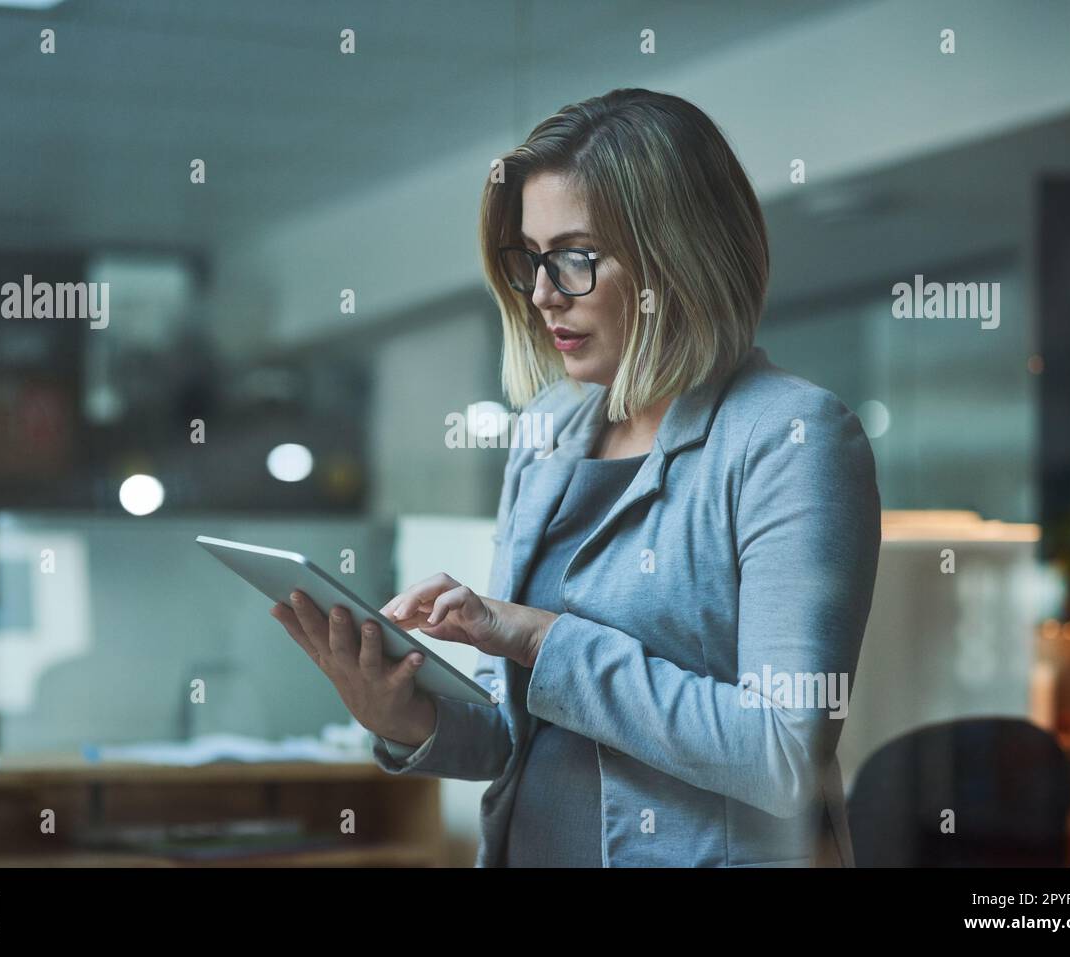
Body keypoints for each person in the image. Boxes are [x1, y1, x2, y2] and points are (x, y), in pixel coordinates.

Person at [269, 87, 881, 867]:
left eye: (577, 258)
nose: (543, 292)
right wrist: (399, 713)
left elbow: (781, 752)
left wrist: (536, 633)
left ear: (678, 257)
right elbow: (511, 732)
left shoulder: (789, 437)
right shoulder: (548, 431)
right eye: (531, 258)